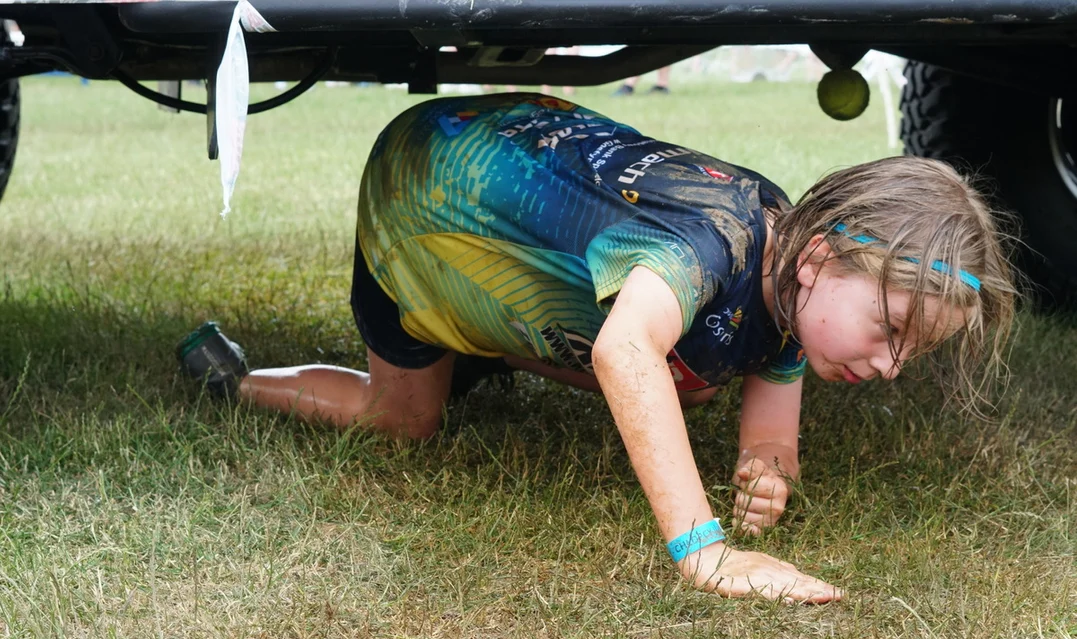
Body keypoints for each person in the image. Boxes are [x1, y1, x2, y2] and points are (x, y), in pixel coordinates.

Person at [178, 93, 1016, 604]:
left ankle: (488, 351)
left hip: (512, 154)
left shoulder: (792, 286)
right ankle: (233, 379)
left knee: (691, 380)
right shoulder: (714, 245)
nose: (889, 368)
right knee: (402, 421)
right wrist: (707, 551)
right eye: (891, 331)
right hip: (429, 185)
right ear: (819, 257)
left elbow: (770, 440)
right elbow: (622, 354)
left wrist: (766, 478)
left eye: (911, 353)